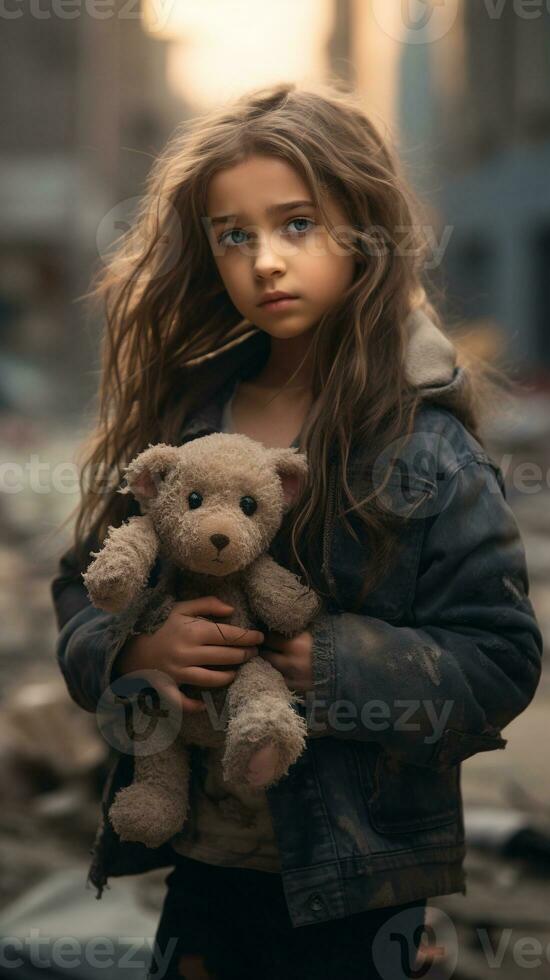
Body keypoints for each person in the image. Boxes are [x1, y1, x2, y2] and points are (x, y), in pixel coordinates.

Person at [50, 82, 543, 980]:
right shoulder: (187, 418)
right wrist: (132, 653)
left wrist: (337, 663)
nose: (264, 261)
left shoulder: (425, 447)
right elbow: (77, 589)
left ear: (363, 229)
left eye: (297, 224)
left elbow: (502, 658)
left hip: (361, 881)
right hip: (199, 868)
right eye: (233, 235)